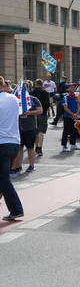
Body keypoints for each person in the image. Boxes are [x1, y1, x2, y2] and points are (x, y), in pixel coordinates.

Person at [0, 76, 25, 221]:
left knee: (4, 179)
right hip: (14, 142)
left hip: (2, 143)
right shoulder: (13, 99)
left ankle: (16, 209)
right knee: (3, 177)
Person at [10, 84, 43, 177]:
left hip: (30, 127)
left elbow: (40, 111)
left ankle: (31, 165)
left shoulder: (33, 99)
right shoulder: (15, 99)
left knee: (30, 147)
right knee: (19, 148)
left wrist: (29, 113)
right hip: (18, 127)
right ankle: (17, 166)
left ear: (28, 89)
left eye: (25, 88)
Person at [30, 79, 51, 157]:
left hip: (33, 114)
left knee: (35, 131)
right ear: (42, 84)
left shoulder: (31, 93)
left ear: (35, 84)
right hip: (43, 113)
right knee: (41, 132)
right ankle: (39, 147)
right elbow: (48, 104)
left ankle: (36, 146)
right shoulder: (46, 93)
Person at [61, 83, 79, 152]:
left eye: (74, 87)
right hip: (67, 116)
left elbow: (78, 106)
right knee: (66, 131)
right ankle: (64, 145)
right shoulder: (66, 97)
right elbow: (65, 107)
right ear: (68, 89)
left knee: (74, 130)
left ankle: (73, 144)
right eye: (71, 87)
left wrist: (77, 113)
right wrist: (72, 114)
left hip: (74, 116)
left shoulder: (76, 97)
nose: (73, 89)